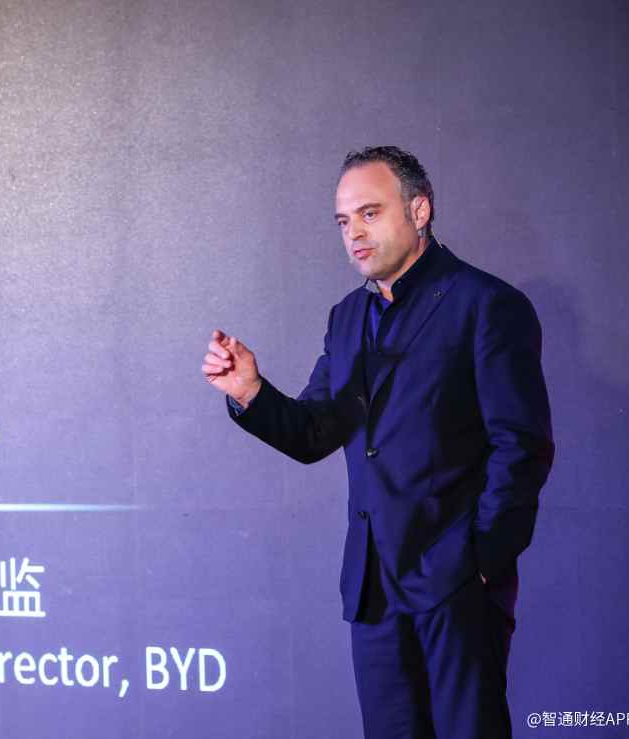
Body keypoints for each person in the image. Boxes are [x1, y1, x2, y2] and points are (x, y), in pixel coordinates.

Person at [202, 146, 554, 739]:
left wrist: (480, 561)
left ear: (419, 210)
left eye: (370, 213)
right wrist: (250, 392)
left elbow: (521, 447)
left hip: (455, 584)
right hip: (372, 591)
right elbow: (315, 431)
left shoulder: (485, 305)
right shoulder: (345, 318)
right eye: (344, 221)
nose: (354, 234)